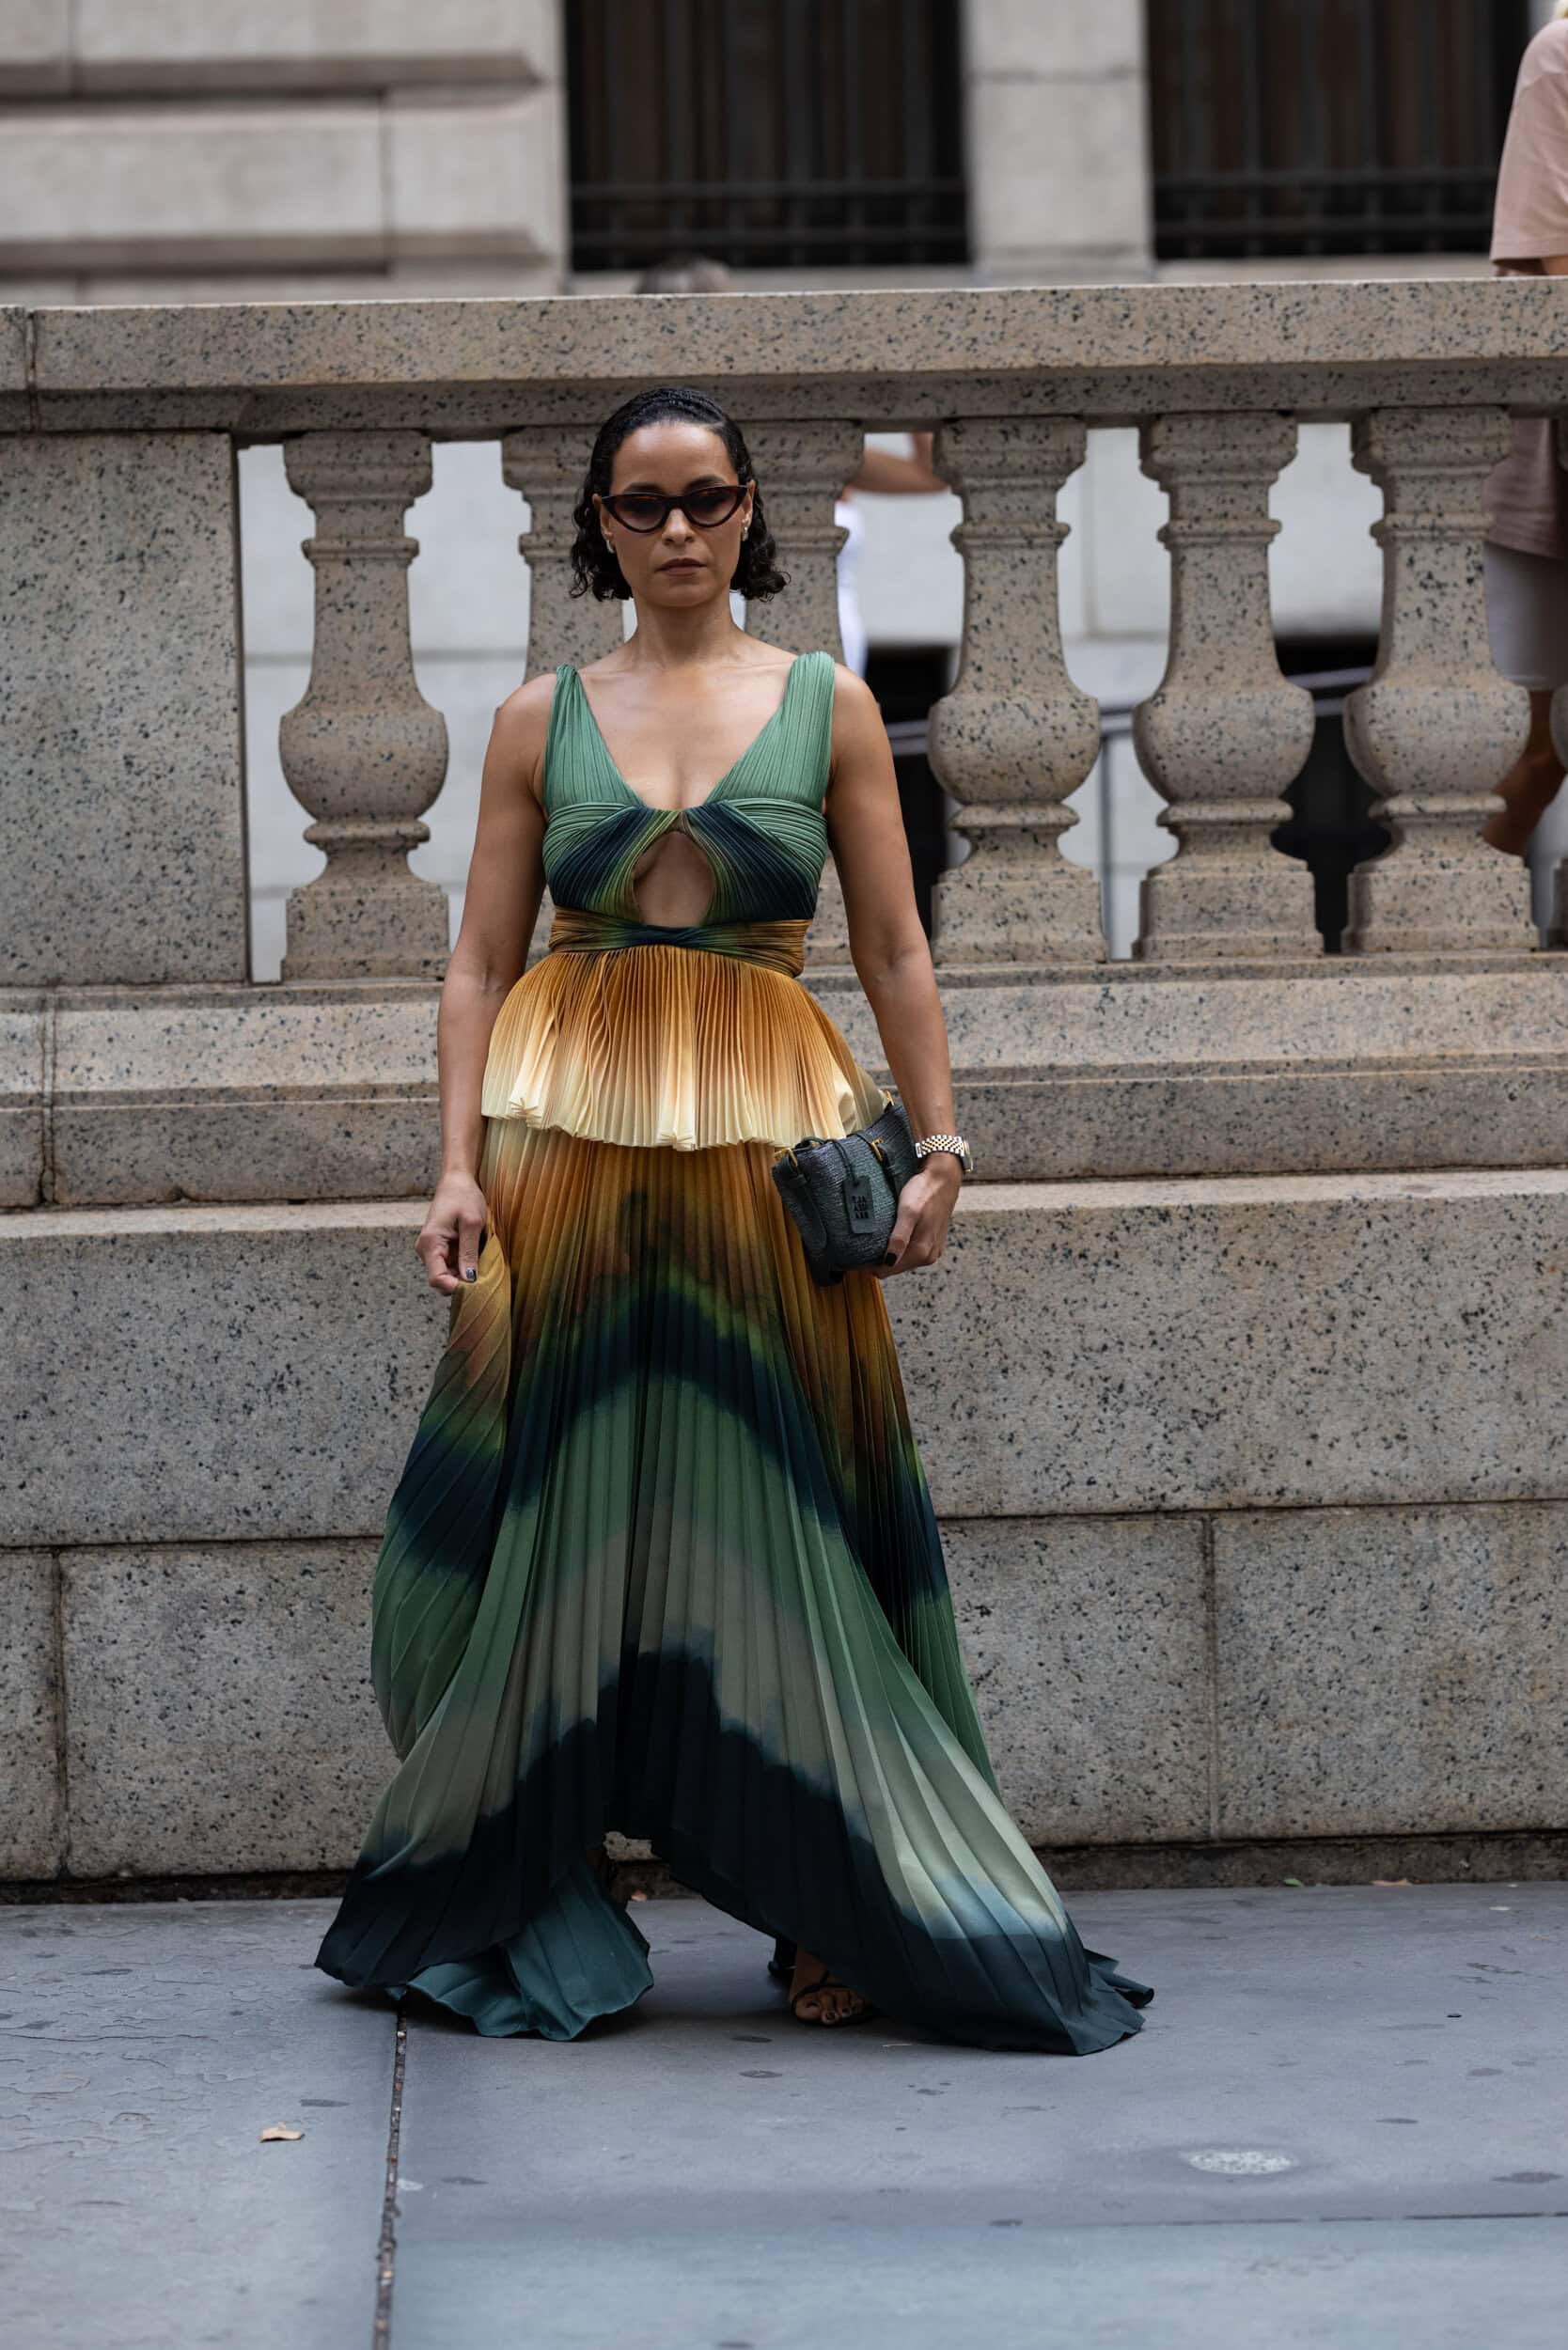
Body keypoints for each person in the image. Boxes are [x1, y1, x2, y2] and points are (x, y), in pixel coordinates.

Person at [312, 383, 1153, 2054]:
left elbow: (895, 947)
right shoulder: (539, 720)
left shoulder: (826, 706)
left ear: (751, 510)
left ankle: (841, 1902)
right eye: (643, 504)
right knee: (541, 1510)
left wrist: (943, 1145)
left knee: (790, 1512)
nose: (679, 528)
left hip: (766, 1158)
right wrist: (454, 1165)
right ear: (600, 527)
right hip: (565, 1154)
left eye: (705, 497)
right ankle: (543, 1865)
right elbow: (476, 965)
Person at [633, 252, 945, 673]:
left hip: (832, 643)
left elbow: (928, 474)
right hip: (719, 643)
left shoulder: (800, 437)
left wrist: (902, 370)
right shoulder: (656, 455)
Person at [1482, 3, 1568, 857]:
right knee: (1529, 753)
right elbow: (1559, 265)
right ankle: (1446, 920)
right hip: (1551, 448)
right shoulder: (1562, 55)